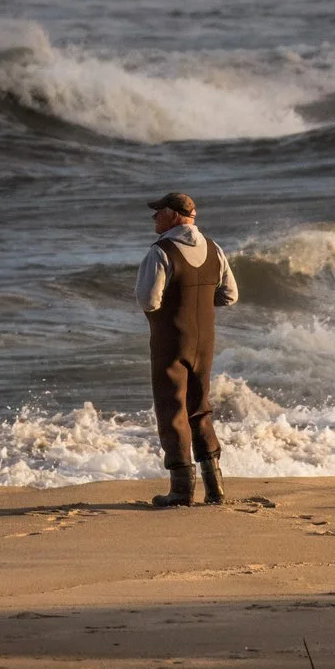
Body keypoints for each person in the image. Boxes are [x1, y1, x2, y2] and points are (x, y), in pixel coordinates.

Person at [137, 191, 237, 507]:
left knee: (172, 409)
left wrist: (172, 311)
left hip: (171, 342)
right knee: (200, 408)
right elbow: (230, 295)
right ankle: (215, 488)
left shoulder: (161, 251)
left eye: (159, 211)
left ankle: (181, 490)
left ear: (176, 215)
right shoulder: (214, 249)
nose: (154, 217)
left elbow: (148, 300)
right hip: (204, 343)